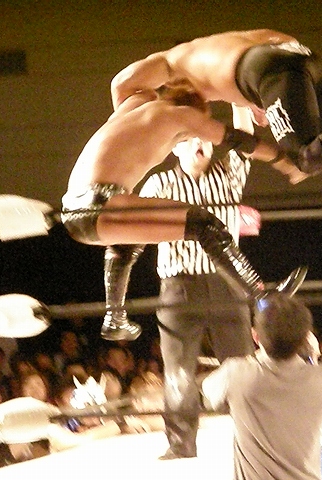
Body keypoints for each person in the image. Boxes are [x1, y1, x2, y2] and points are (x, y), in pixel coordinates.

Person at [60, 84, 306, 341]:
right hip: (108, 208)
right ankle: (262, 295)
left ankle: (114, 317)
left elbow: (121, 83)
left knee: (128, 239)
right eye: (193, 132)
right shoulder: (179, 117)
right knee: (205, 223)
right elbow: (237, 139)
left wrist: (237, 99)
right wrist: (284, 160)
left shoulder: (136, 108)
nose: (198, 136)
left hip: (76, 209)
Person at [137, 104, 282, 460]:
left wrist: (239, 101)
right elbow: (138, 225)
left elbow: (244, 140)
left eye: (203, 137)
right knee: (178, 368)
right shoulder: (159, 183)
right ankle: (180, 444)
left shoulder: (229, 174)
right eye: (189, 138)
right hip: (178, 284)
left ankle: (257, 437)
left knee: (241, 363)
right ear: (175, 147)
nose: (200, 143)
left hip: (224, 284)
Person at [109, 29, 322, 183]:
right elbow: (273, 36)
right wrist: (260, 99)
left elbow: (121, 83)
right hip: (303, 58)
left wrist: (123, 127)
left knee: (303, 160)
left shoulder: (168, 63)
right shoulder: (215, 48)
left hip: (270, 71)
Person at [201, 293, 322, 480]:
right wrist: (312, 358)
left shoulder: (236, 372)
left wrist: (255, 356)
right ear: (305, 338)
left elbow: (208, 393)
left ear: (255, 336)